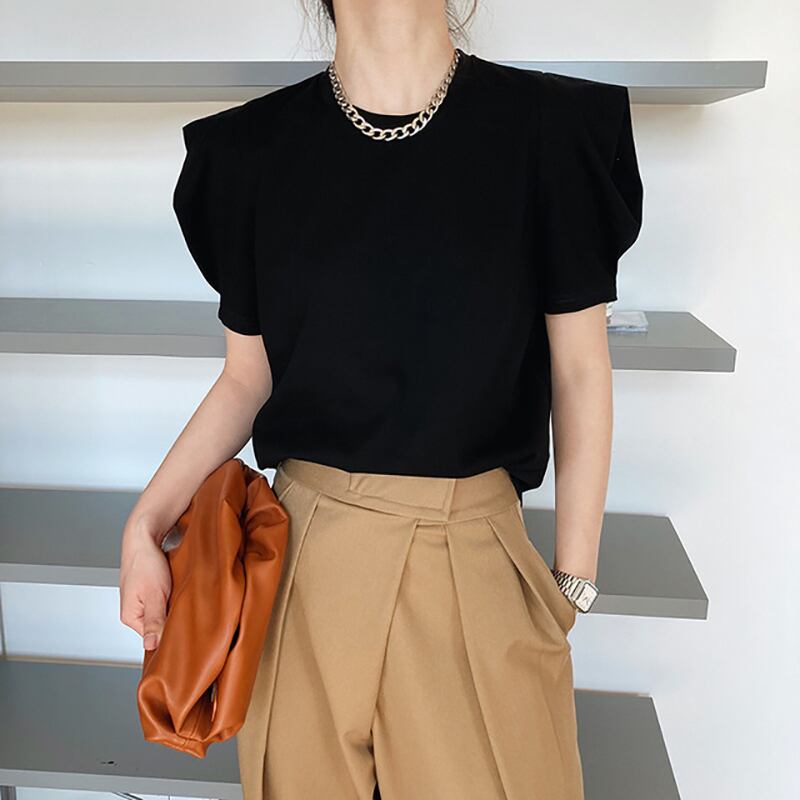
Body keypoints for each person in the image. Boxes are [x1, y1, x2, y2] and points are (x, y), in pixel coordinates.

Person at [119, 1, 643, 798]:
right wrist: (145, 521)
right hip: (304, 568)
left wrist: (571, 585)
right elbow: (247, 378)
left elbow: (580, 367)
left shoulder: (551, 131)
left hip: (473, 560)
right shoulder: (251, 152)